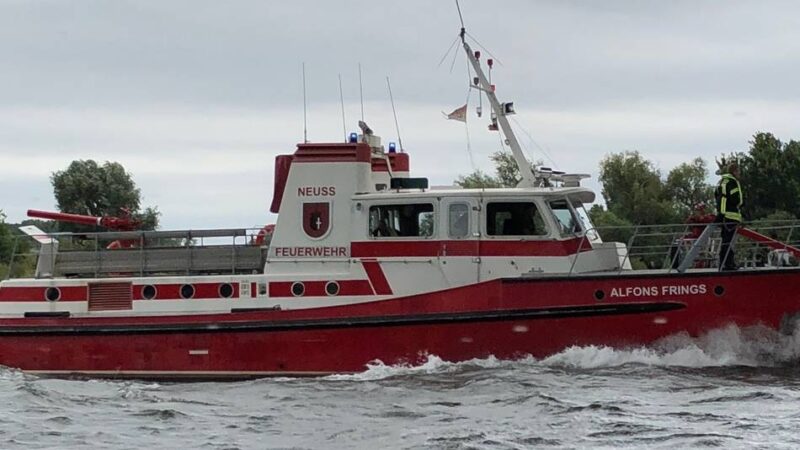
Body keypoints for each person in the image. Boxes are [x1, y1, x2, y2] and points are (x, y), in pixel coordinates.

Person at [714, 160, 743, 270]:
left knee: (726, 240)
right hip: (731, 215)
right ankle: (728, 264)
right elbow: (735, 198)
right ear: (734, 171)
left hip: (724, 215)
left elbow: (717, 195)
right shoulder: (732, 182)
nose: (739, 174)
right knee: (729, 241)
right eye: (738, 171)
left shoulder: (721, 182)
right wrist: (740, 204)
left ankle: (725, 263)